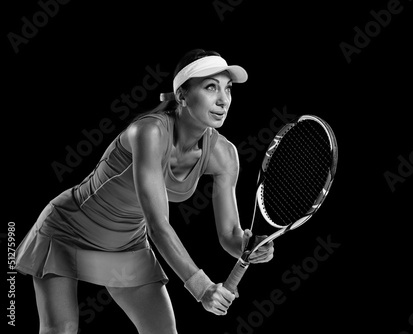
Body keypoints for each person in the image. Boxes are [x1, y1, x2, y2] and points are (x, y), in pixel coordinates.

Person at [15, 49, 274, 334]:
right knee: (61, 330)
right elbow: (158, 225)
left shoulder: (224, 154)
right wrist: (203, 288)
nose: (224, 100)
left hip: (126, 244)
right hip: (67, 230)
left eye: (228, 89)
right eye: (211, 87)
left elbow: (230, 236)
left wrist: (250, 248)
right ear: (182, 96)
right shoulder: (149, 132)